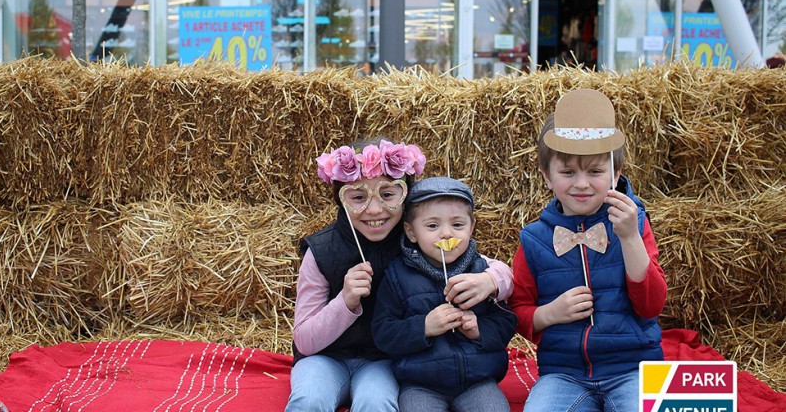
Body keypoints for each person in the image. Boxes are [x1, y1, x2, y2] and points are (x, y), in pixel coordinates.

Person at [286, 140, 514, 412]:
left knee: (377, 402)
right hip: (323, 358)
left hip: (381, 361)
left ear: (405, 197)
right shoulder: (322, 251)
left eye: (388, 195)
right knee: (309, 400)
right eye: (358, 197)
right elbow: (305, 341)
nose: (373, 210)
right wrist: (345, 302)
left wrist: (489, 281)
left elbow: (496, 270)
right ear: (341, 200)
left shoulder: (420, 240)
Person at [508, 88, 667, 412]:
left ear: (615, 173)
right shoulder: (534, 239)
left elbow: (651, 306)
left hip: (633, 369)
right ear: (547, 177)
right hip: (563, 374)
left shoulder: (633, 224)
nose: (581, 183)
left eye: (595, 171)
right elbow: (518, 311)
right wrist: (549, 314)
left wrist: (629, 238)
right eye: (568, 172)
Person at [372, 177, 517, 412]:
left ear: (471, 227)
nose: (446, 235)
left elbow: (507, 321)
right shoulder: (398, 275)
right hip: (420, 384)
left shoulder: (481, 272)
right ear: (411, 232)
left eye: (457, 225)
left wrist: (479, 329)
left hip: (478, 380)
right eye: (432, 226)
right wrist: (424, 326)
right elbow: (383, 333)